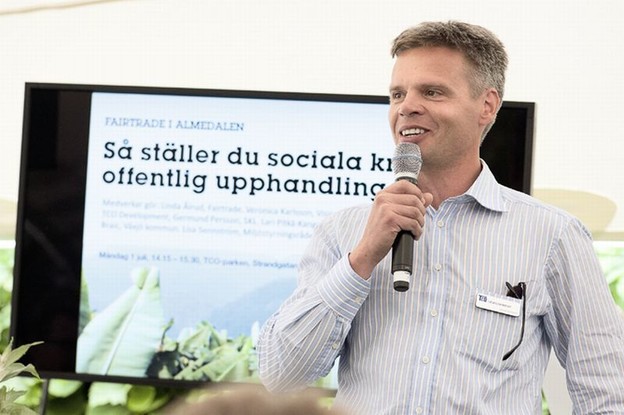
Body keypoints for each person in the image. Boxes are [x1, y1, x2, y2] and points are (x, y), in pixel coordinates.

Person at [257, 20, 624, 414]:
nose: (406, 107)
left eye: (432, 92)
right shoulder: (342, 232)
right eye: (397, 94)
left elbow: (607, 391)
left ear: (487, 106)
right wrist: (361, 259)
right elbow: (280, 376)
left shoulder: (552, 235)